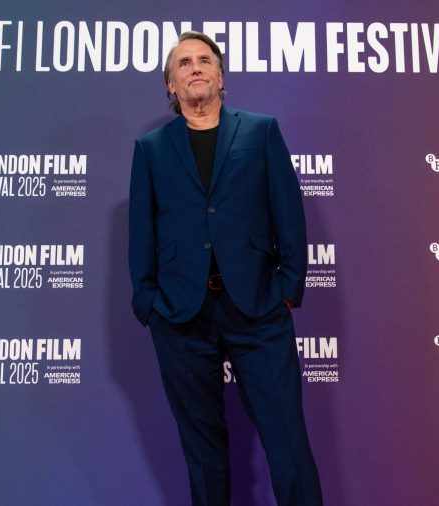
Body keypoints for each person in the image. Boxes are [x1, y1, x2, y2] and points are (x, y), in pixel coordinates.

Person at [128, 31, 323, 506]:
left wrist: (288, 288)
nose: (195, 67)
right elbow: (141, 235)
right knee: (203, 452)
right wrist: (149, 302)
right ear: (170, 85)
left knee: (288, 443)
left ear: (220, 75)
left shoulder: (260, 132)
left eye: (204, 60)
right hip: (181, 317)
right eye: (184, 63)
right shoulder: (151, 149)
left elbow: (289, 216)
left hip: (258, 308)